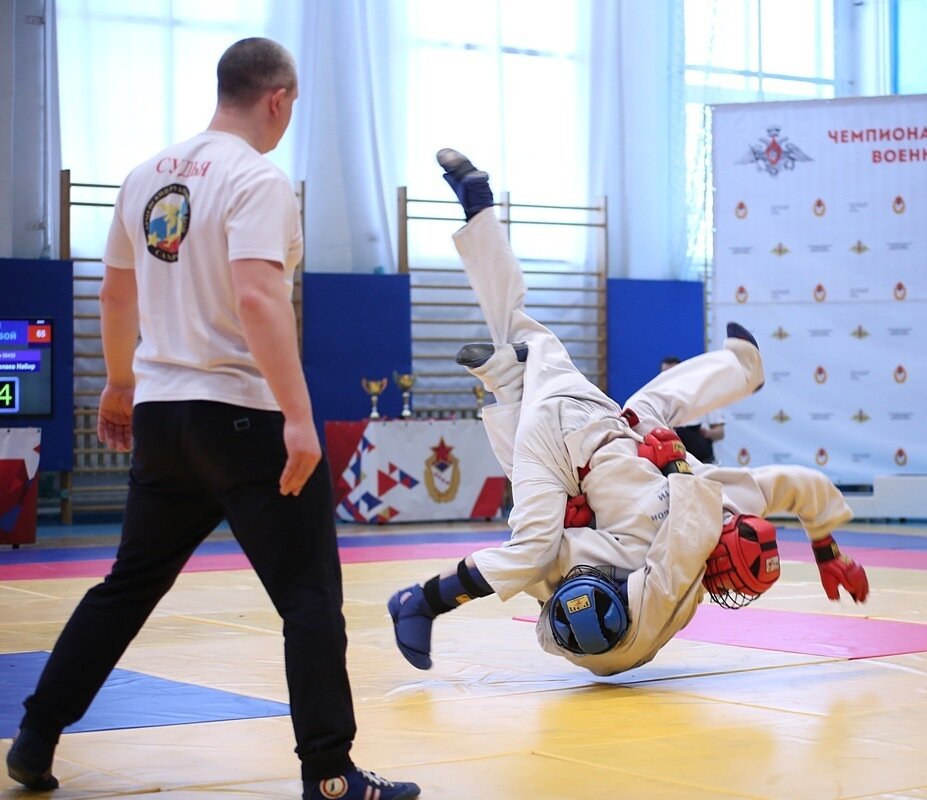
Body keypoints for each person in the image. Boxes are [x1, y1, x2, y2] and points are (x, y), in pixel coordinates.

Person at [5, 39, 419, 800]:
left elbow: (114, 295)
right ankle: (330, 777)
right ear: (279, 99)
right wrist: (299, 417)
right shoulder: (255, 179)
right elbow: (259, 299)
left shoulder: (145, 176)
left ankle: (33, 738)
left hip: (164, 419)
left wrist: (120, 383)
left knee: (125, 587)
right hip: (242, 418)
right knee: (308, 600)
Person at [387, 149, 867, 677]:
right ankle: (425, 596)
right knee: (534, 547)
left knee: (558, 357)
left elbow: (800, 486)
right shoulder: (678, 571)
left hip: (590, 425)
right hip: (566, 441)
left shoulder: (722, 502)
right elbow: (601, 626)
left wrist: (827, 549)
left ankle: (736, 367)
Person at [659, 354, 724, 464]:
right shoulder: (659, 401)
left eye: (672, 373)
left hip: (702, 455)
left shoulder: (703, 396)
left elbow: (720, 432)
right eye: (665, 374)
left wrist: (707, 433)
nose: (669, 378)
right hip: (675, 459)